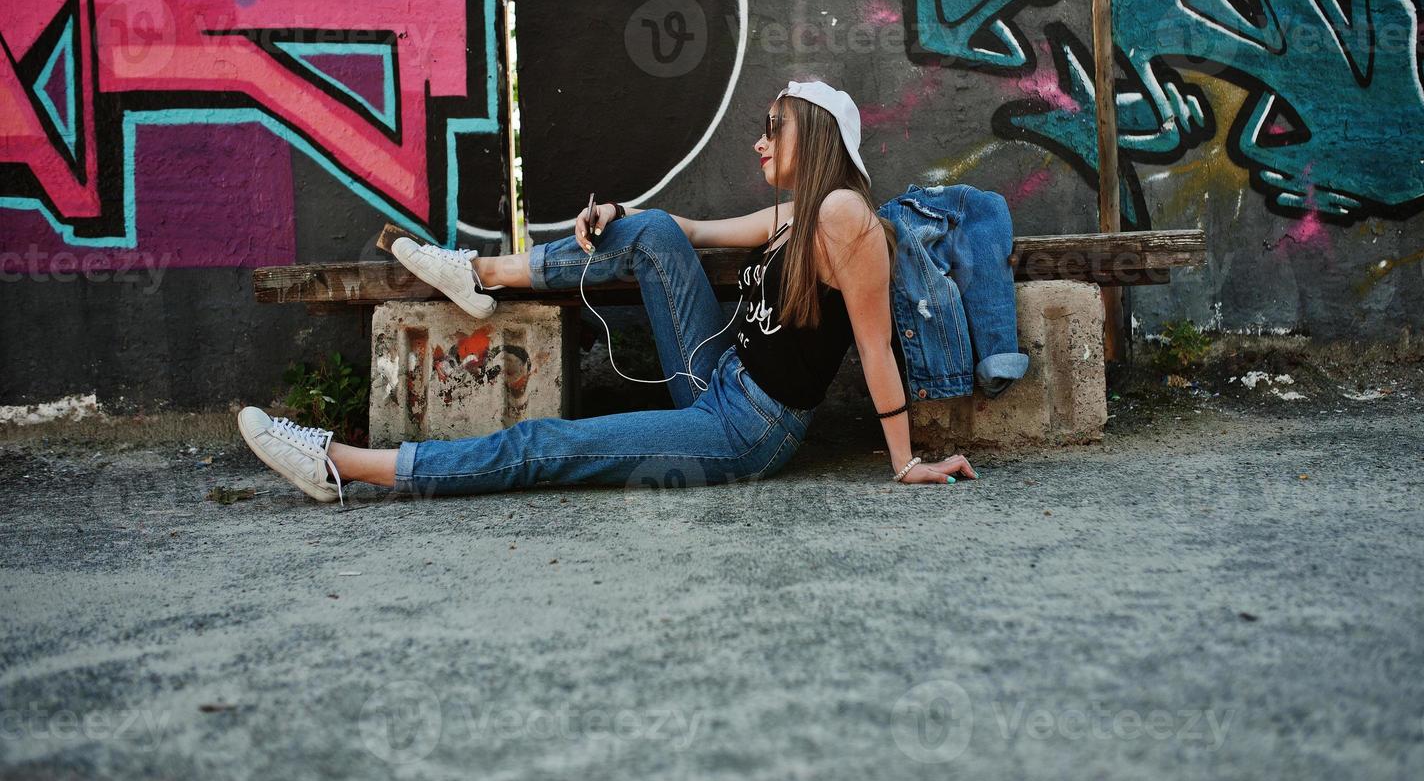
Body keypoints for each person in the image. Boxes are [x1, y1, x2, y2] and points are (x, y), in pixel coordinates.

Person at [236, 81, 977, 505]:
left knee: (546, 445)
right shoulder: (798, 211)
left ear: (813, 136)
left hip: (750, 429)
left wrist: (904, 461)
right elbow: (691, 230)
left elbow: (875, 344)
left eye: (772, 127)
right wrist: (620, 215)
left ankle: (345, 465)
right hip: (717, 376)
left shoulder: (846, 217)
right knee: (653, 230)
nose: (758, 141)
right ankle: (479, 274)